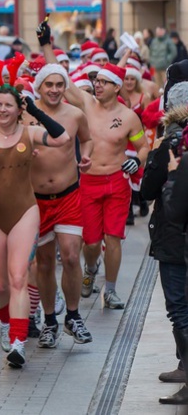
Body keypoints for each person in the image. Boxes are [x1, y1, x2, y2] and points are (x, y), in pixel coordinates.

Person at [0, 85, 70, 368]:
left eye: (9, 105)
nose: (2, 110)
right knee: (0, 284)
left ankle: (19, 342)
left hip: (25, 213)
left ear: (18, 109)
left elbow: (63, 137)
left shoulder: (29, 132)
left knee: (19, 276)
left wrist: (34, 109)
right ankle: (8, 324)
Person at [63, 62, 150, 308]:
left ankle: (110, 291)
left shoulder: (128, 117)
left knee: (113, 237)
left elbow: (144, 146)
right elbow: (64, 80)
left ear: (116, 87)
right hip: (89, 182)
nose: (96, 85)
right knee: (90, 242)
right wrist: (46, 44)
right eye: (96, 81)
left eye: (103, 82)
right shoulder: (87, 104)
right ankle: (91, 268)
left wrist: (137, 162)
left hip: (116, 183)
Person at [34, 24, 95, 347]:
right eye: (49, 85)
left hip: (70, 195)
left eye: (60, 84)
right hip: (37, 199)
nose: (55, 89)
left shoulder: (75, 114)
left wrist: (85, 157)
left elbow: (87, 141)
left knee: (71, 257)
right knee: (43, 263)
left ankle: (73, 315)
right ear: (39, 87)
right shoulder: (28, 116)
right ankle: (49, 321)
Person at [141, 87, 188, 404]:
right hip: (175, 237)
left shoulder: (172, 144)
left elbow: (148, 191)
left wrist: (168, 171)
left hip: (174, 237)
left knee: (180, 310)